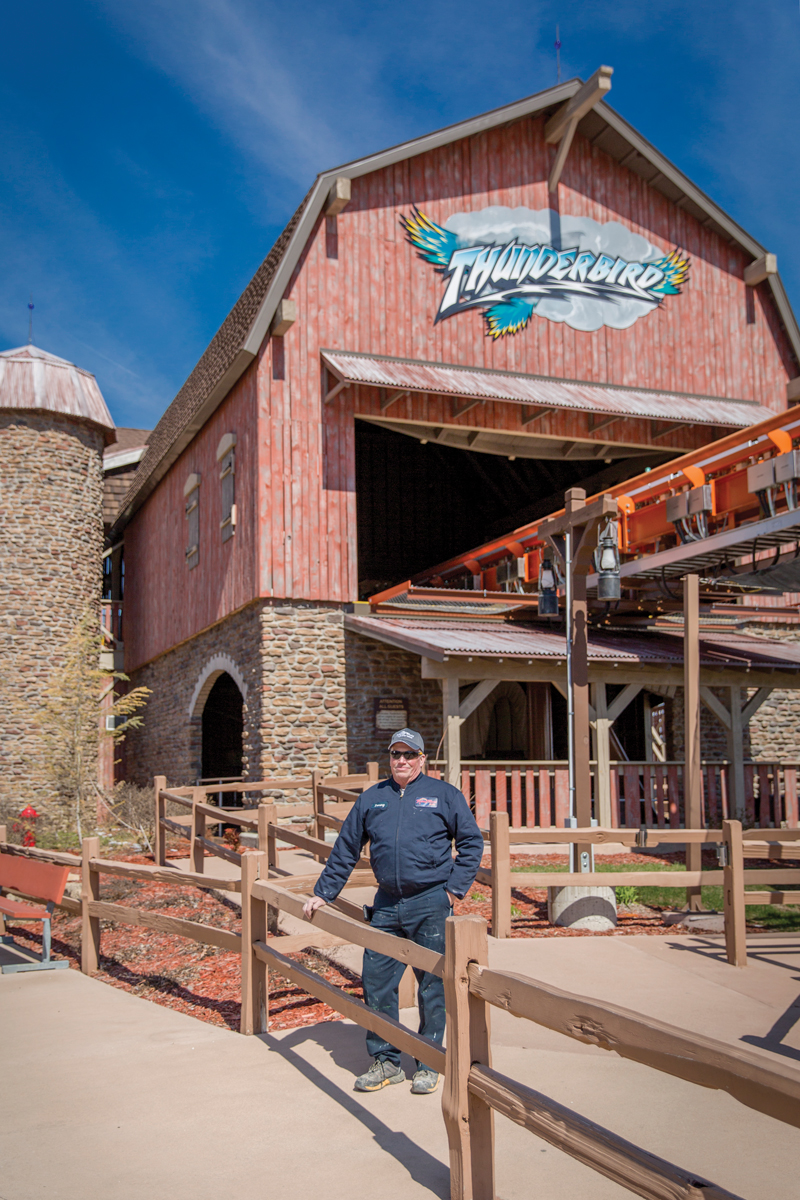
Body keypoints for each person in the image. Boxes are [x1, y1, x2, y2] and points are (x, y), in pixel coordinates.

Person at [303, 728, 484, 1095]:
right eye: (395, 755)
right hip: (386, 904)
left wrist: (452, 891)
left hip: (431, 902)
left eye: (409, 755)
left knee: (433, 986)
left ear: (422, 759)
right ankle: (386, 1061)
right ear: (389, 758)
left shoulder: (444, 796)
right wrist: (324, 893)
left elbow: (471, 843)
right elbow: (346, 849)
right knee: (376, 981)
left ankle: (430, 1061)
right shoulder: (373, 798)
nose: (401, 761)